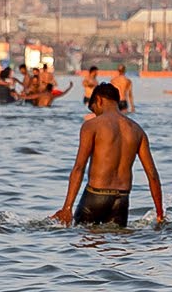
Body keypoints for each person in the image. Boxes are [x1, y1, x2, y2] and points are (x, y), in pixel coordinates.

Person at [52, 83, 164, 228]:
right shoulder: (137, 130)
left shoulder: (92, 125)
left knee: (83, 238)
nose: (96, 114)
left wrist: (67, 208)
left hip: (95, 197)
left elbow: (79, 168)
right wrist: (160, 213)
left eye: (94, 110)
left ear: (99, 100)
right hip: (122, 200)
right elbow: (152, 174)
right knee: (117, 240)